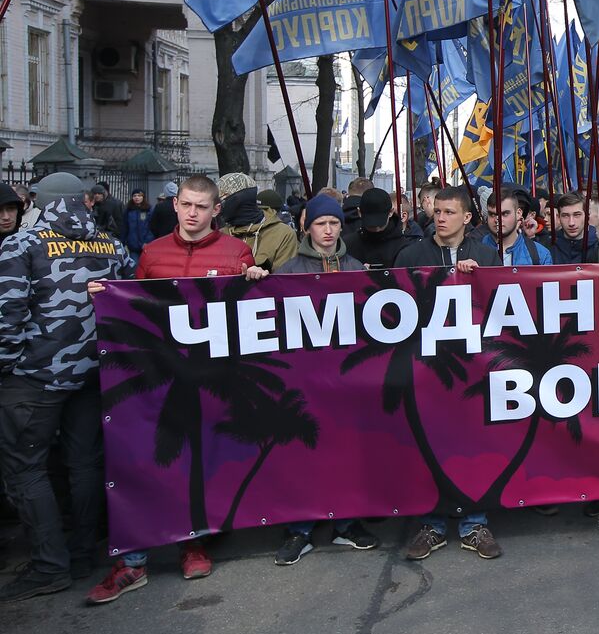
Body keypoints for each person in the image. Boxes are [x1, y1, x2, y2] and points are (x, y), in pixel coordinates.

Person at [85, 175, 269, 603]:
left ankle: (193, 544)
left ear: (215, 210)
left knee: (198, 465)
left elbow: (252, 311)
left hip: (211, 380)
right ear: (177, 204)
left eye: (201, 207)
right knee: (143, 465)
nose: (191, 213)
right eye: (185, 204)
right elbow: (133, 307)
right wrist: (105, 295)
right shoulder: (152, 252)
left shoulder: (236, 252)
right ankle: (134, 562)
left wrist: (258, 279)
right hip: (155, 381)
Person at [0, 173, 135, 602]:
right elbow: (130, 299)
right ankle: (81, 553)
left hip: (34, 379)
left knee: (25, 468)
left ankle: (48, 565)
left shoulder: (20, 245)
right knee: (85, 463)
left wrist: (7, 368)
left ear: (39, 201)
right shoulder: (111, 245)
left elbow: (8, 315)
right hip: (95, 372)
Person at [270, 195, 379, 564]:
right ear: (308, 227)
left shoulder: (354, 267)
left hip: (348, 382)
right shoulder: (288, 270)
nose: (329, 231)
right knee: (304, 455)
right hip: (306, 382)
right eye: (321, 224)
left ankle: (346, 524)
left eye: (334, 223)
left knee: (347, 454)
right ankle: (299, 529)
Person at [395, 186, 503, 562]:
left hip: (474, 369)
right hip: (427, 368)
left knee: (473, 446)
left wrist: (478, 279)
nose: (440, 218)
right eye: (437, 211)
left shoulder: (488, 255)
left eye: (449, 212)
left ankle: (474, 523)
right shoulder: (412, 255)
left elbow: (502, 309)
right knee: (430, 445)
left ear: (467, 218)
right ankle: (432, 524)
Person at [217, 172, 298, 270]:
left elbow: (284, 280)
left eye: (221, 202)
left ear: (238, 201)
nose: (217, 210)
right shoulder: (220, 234)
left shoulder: (283, 234)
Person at [344, 187, 422, 269]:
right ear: (359, 213)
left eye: (380, 223)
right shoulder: (349, 245)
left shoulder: (405, 248)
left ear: (391, 212)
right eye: (370, 224)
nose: (376, 228)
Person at [480, 191, 553, 265]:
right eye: (492, 214)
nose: (497, 219)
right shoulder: (474, 250)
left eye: (505, 214)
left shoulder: (540, 254)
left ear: (518, 213)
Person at [549, 191, 597, 264]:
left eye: (577, 215)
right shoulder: (548, 249)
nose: (571, 223)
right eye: (565, 216)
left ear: (587, 216)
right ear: (559, 217)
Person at [122, 189, 155, 257]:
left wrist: (147, 241)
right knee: (135, 265)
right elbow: (125, 227)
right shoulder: (128, 210)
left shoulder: (149, 210)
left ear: (143, 197)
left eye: (139, 196)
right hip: (133, 245)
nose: (137, 197)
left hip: (146, 244)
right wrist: (124, 242)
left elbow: (152, 227)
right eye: (135, 196)